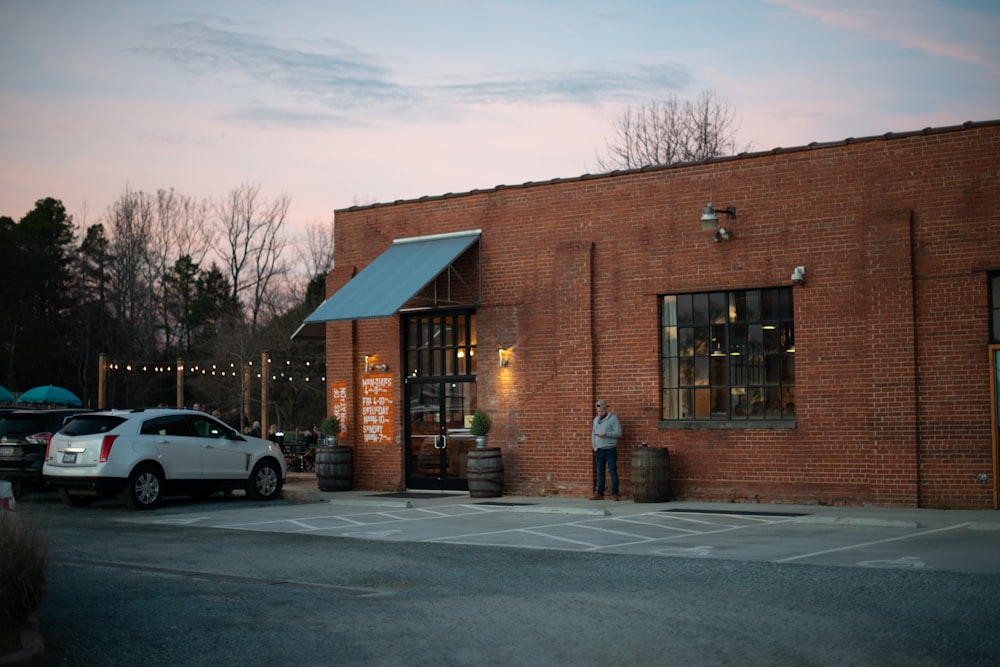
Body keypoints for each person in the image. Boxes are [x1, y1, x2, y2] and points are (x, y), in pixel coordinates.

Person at [590, 399, 622, 501]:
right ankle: (600, 493)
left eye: (602, 411)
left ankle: (615, 493)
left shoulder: (613, 419)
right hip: (599, 450)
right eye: (599, 411)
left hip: (610, 449)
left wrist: (606, 434)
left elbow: (619, 433)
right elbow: (593, 433)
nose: (601, 413)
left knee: (613, 471)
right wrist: (594, 445)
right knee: (600, 472)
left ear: (606, 409)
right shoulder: (595, 420)